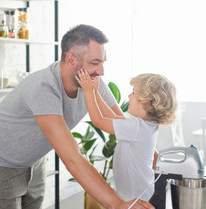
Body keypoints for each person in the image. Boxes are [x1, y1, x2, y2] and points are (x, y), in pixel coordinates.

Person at [0, 24, 157, 209]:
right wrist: (119, 205)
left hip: (34, 161)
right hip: (0, 163)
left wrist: (158, 162)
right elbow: (72, 158)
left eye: (102, 62)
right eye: (95, 63)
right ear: (71, 60)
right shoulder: (43, 88)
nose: (101, 72)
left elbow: (123, 125)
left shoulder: (93, 82)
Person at [75, 70, 178, 201]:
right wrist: (95, 92)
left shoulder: (137, 127)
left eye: (134, 93)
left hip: (136, 199)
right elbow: (113, 117)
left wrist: (88, 91)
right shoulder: (145, 125)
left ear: (147, 102)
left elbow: (98, 121)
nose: (129, 96)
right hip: (141, 195)